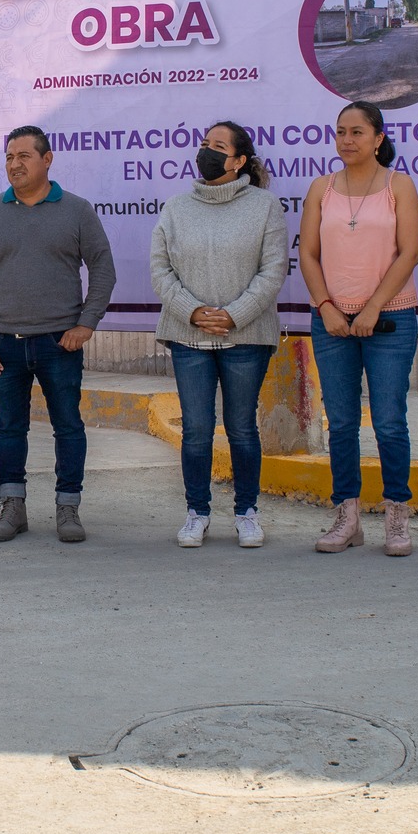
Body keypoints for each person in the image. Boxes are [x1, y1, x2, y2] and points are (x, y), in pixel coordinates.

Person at [0, 125, 116, 544]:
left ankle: (68, 508)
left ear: (47, 160)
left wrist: (86, 323)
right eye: (9, 156)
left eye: (24, 156)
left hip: (59, 344)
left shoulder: (77, 211)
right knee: (10, 428)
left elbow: (103, 268)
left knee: (68, 426)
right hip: (2, 345)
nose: (14, 164)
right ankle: (13, 507)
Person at [151, 120, 289, 548]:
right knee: (195, 429)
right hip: (187, 335)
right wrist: (192, 311)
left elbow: (273, 269)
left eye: (218, 146)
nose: (206, 151)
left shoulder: (265, 206)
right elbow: (160, 268)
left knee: (242, 428)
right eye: (204, 143)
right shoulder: (176, 208)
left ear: (239, 160)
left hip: (245, 338)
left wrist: (234, 315)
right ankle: (197, 512)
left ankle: (247, 512)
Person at [296, 103, 418, 555]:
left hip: (389, 319)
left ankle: (396, 516)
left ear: (378, 137)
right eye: (340, 132)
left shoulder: (398, 185)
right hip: (331, 322)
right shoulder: (321, 188)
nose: (347, 140)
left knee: (389, 422)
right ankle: (347, 516)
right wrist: (326, 306)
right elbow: (308, 254)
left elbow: (408, 253)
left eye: (357, 132)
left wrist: (372, 308)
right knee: (343, 423)